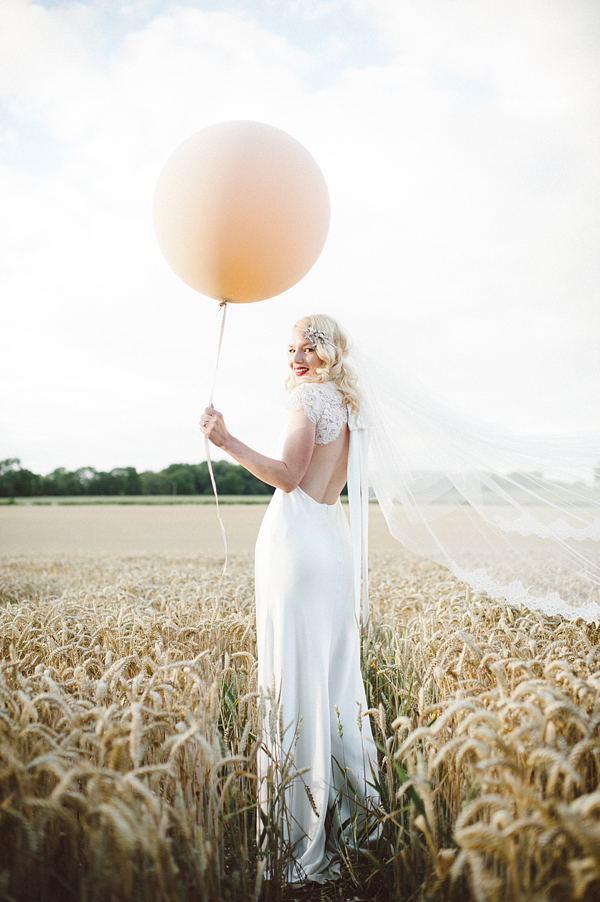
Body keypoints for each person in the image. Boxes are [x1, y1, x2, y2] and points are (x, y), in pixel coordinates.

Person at [200, 313, 379, 883]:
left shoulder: (310, 401)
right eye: (291, 350)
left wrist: (226, 440)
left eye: (308, 347)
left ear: (328, 353)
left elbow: (285, 475)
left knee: (295, 687)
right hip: (329, 548)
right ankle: (359, 826)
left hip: (298, 549)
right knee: (331, 685)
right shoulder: (350, 408)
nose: (296, 359)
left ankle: (298, 843)